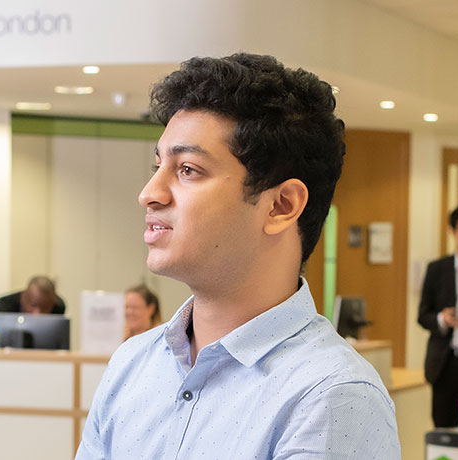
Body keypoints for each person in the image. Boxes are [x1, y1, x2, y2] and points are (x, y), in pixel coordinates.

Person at [75, 53, 399, 459]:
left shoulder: (332, 396)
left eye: (188, 169)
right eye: (159, 164)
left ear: (281, 205)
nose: (150, 193)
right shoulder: (133, 362)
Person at [418, 204, 458, 427]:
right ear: (453, 232)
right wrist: (441, 319)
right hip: (446, 363)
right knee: (445, 432)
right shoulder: (438, 269)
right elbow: (423, 314)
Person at [0, 275, 65, 315]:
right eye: (33, 305)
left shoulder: (59, 308)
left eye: (45, 308)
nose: (37, 314)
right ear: (22, 297)